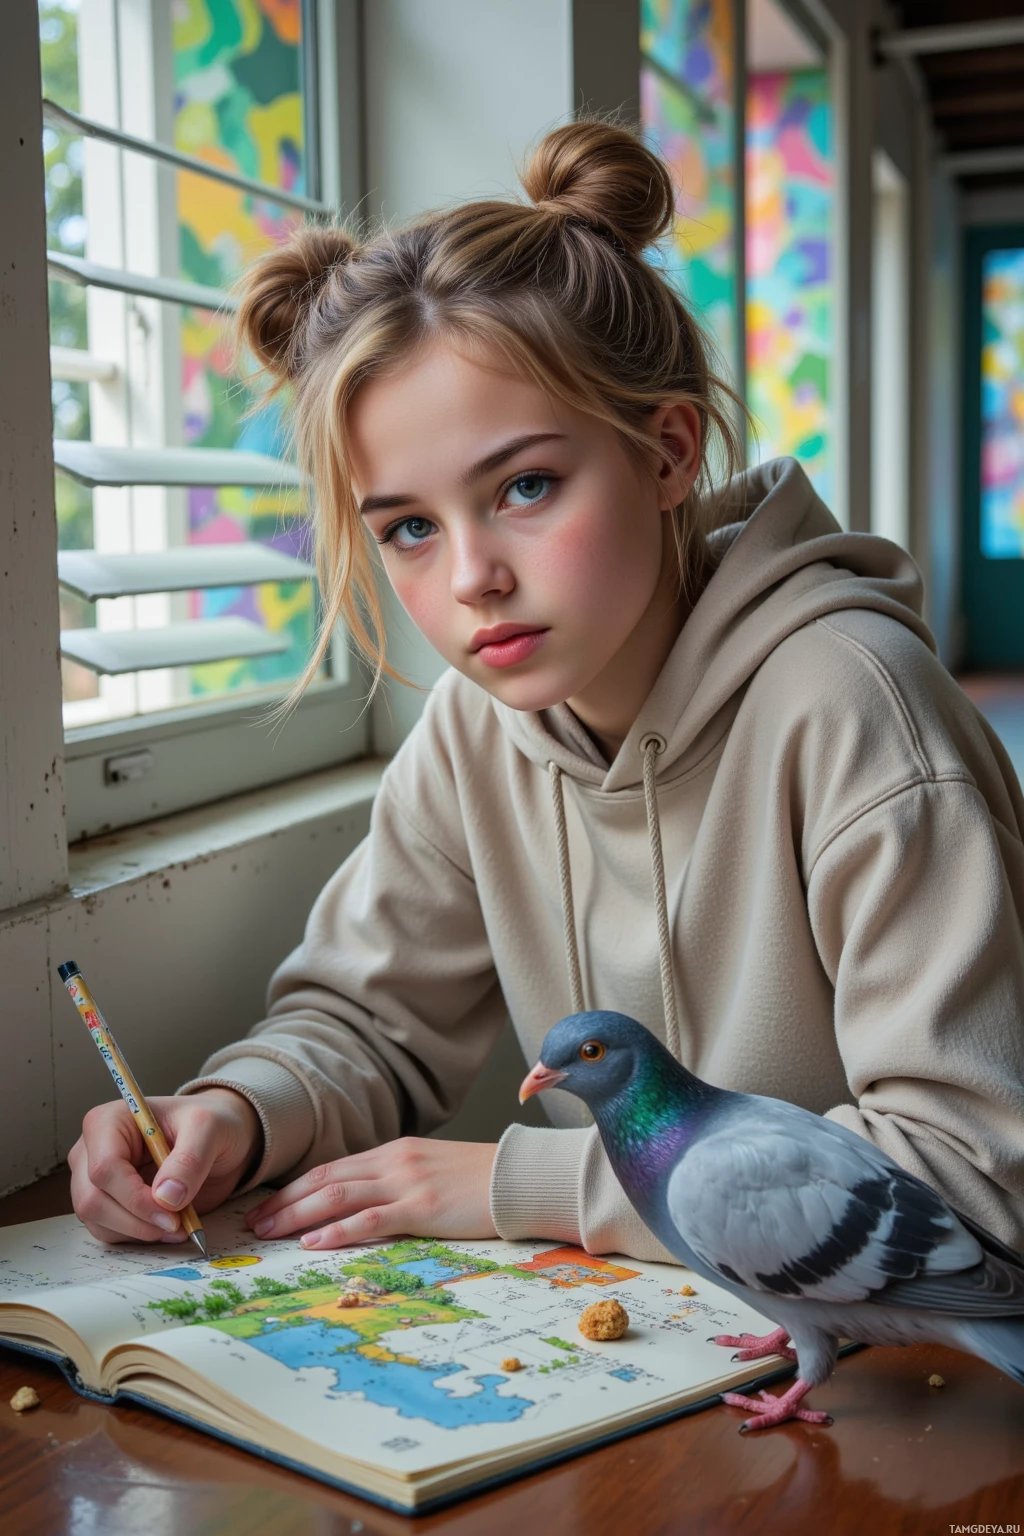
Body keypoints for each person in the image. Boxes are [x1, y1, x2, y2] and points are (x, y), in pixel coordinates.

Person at [69, 120, 1024, 1262]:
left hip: (896, 1383)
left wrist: (537, 1184)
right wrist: (232, 1113)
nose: (472, 576)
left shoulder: (859, 714)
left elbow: (973, 1175)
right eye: (411, 529)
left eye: (524, 486)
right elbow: (367, 1021)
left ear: (668, 453)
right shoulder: (481, 726)